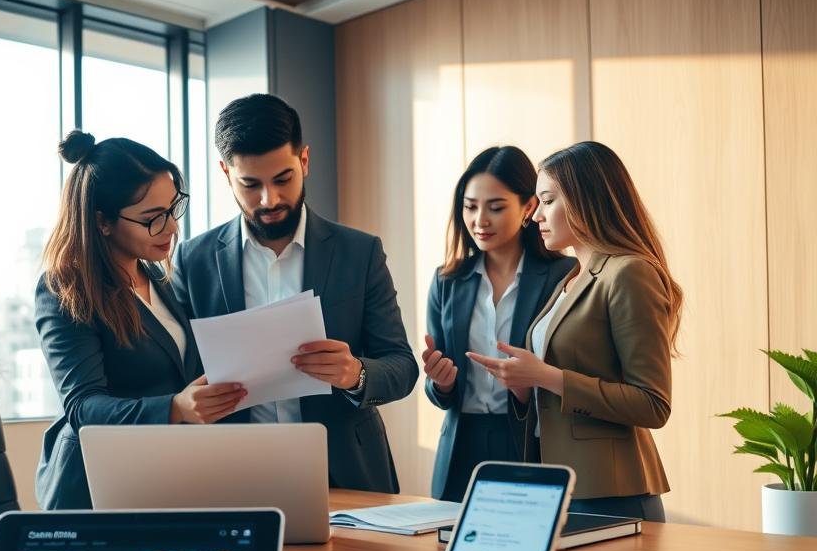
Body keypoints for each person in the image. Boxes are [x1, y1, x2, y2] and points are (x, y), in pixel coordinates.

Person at [173, 94, 418, 492]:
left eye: (283, 179)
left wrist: (355, 372)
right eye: (250, 185)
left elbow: (402, 366)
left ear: (304, 161)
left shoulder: (360, 252)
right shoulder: (191, 261)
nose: (270, 200)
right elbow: (177, 373)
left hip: (344, 471)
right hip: (230, 474)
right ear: (225, 173)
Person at [467, 141, 683, 521]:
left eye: (547, 200)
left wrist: (548, 377)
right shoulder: (572, 278)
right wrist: (523, 387)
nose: (536, 217)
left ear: (586, 200)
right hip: (555, 487)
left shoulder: (629, 273)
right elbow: (554, 388)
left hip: (611, 493)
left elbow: (653, 403)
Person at [35, 131, 247, 509]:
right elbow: (83, 406)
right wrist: (174, 408)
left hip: (157, 475)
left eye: (173, 208)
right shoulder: (64, 288)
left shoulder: (157, 279)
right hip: (94, 488)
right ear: (102, 222)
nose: (171, 228)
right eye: (152, 219)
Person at [422, 146, 576, 501]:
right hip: (462, 445)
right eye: (470, 206)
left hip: (528, 440)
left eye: (495, 207)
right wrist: (441, 384)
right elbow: (439, 391)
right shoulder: (447, 280)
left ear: (528, 208)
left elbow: (568, 369)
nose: (480, 221)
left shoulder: (562, 275)